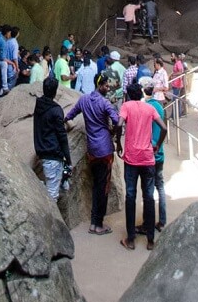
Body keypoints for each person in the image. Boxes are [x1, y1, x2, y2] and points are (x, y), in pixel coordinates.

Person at [65, 74, 120, 235]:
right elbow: (118, 121)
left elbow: (69, 115)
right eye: (106, 85)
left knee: (96, 185)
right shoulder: (104, 103)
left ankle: (94, 223)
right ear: (100, 85)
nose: (108, 88)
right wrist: (114, 133)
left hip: (92, 150)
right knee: (103, 188)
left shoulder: (84, 100)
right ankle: (98, 224)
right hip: (105, 150)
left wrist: (67, 124)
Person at [117, 82, 166, 251]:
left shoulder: (126, 106)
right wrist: (157, 145)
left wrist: (118, 143)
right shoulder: (149, 108)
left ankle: (131, 239)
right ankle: (150, 240)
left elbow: (119, 124)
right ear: (141, 94)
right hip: (147, 158)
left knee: (130, 196)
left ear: (129, 95)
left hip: (131, 159)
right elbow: (164, 128)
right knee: (149, 196)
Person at [33, 77, 72, 201]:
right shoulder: (56, 110)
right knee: (52, 196)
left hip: (42, 152)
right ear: (55, 91)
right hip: (53, 155)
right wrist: (68, 159)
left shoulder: (39, 105)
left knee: (50, 189)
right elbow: (62, 136)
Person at [142, 78, 167, 233]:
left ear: (143, 90)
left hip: (150, 153)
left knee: (148, 190)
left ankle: (148, 223)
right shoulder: (159, 106)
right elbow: (163, 128)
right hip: (160, 152)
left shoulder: (146, 108)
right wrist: (159, 145)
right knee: (160, 187)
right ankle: (162, 222)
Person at [170, 52, 186, 118]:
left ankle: (176, 115)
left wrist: (173, 74)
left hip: (177, 84)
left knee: (175, 100)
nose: (171, 57)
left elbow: (181, 72)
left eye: (172, 56)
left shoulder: (178, 63)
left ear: (176, 57)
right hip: (175, 84)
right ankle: (175, 115)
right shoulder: (177, 63)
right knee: (176, 100)